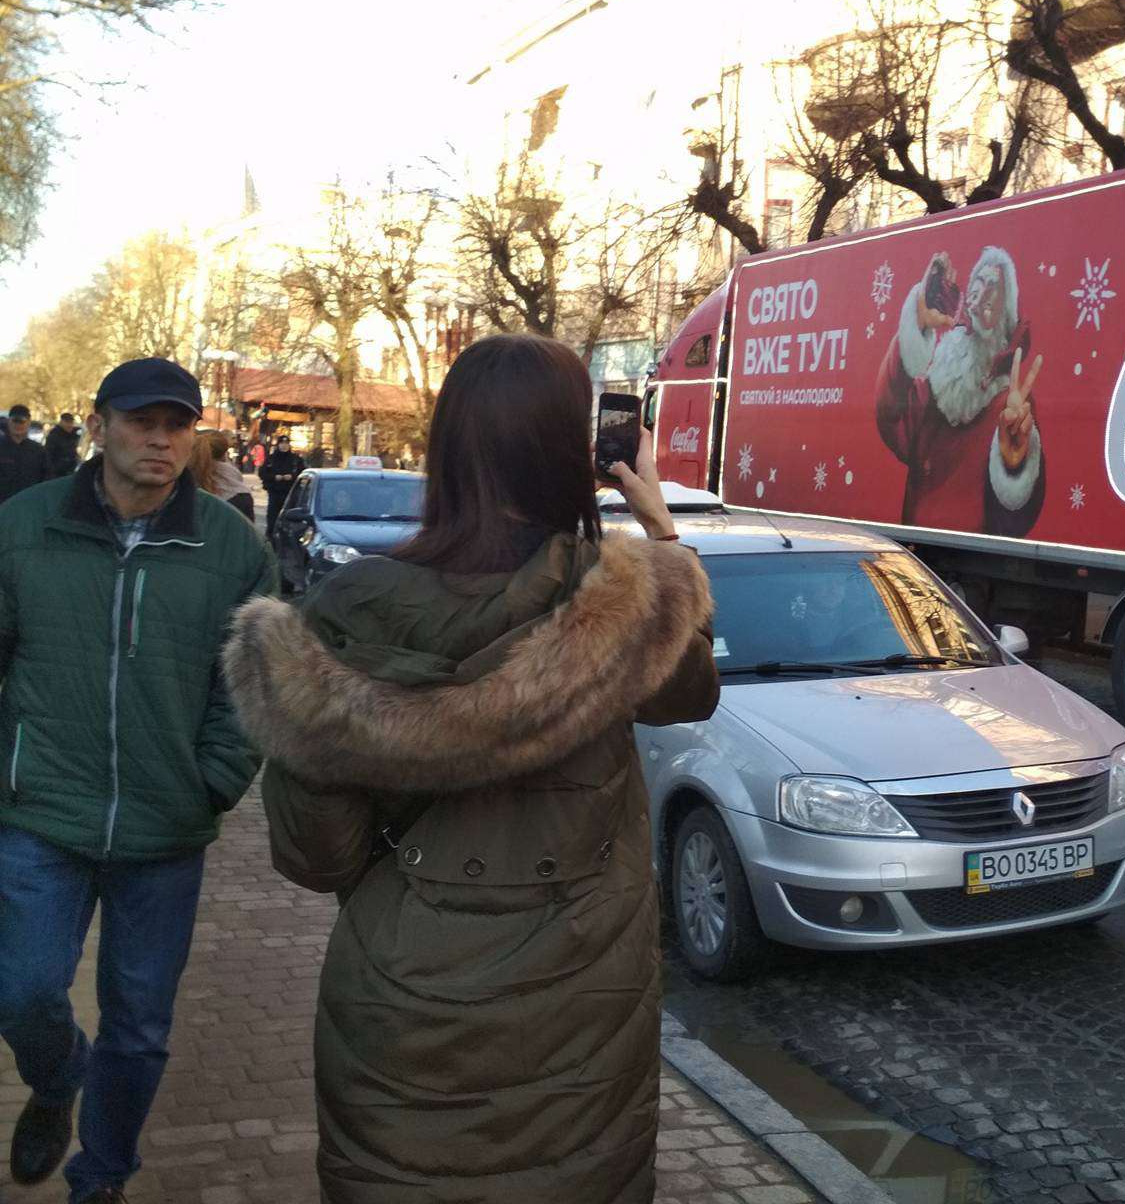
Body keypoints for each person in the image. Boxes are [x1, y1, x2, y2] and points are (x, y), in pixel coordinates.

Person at [223, 334, 718, 1203]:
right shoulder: (616, 602)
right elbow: (692, 689)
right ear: (574, 452)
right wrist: (659, 523)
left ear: (447, 449)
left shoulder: (347, 614)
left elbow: (317, 858)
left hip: (401, 1020)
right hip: (581, 1023)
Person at [0, 357, 276, 1204]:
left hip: (166, 826)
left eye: (178, 425)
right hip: (42, 809)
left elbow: (254, 680)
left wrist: (214, 780)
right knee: (23, 989)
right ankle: (57, 1079)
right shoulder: (24, 525)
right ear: (99, 425)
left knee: (143, 1026)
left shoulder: (228, 545)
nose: (161, 440)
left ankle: (104, 1174)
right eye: (141, 421)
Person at [876, 247, 1046, 536]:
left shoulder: (1012, 405)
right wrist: (916, 328)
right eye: (977, 283)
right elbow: (892, 422)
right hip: (918, 548)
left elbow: (1016, 513)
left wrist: (1013, 466)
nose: (981, 294)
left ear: (1006, 313)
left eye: (993, 286)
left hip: (972, 550)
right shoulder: (940, 379)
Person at [190, 430, 255, 522]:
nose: (235, 441)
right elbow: (247, 534)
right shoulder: (240, 493)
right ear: (225, 454)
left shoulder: (180, 485)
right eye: (232, 438)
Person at [0, 403, 50, 506]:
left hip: (28, 507)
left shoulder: (38, 451)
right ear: (9, 422)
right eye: (15, 421)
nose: (18, 425)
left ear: (28, 423)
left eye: (22, 421)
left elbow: (47, 480)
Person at [260, 436, 303, 533]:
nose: (284, 446)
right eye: (282, 443)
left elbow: (302, 473)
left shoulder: (295, 459)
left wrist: (292, 476)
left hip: (290, 493)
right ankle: (271, 536)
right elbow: (262, 473)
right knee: (272, 517)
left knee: (289, 516)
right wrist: (274, 477)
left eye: (286, 443)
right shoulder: (271, 459)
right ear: (278, 445)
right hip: (274, 492)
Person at [43, 413, 82, 478]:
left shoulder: (72, 436)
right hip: (57, 474)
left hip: (70, 472)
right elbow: (48, 456)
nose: (69, 425)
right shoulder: (54, 436)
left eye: (71, 422)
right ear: (61, 422)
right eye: (67, 422)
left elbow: (73, 452)